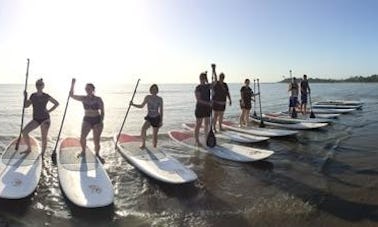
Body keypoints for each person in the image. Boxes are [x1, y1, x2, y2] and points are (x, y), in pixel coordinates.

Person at [69, 79, 105, 163]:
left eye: (89, 89)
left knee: (96, 140)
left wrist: (101, 121)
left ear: (93, 89)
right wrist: (73, 84)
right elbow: (71, 95)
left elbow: (102, 111)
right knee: (82, 137)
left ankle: (97, 154)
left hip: (97, 120)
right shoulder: (83, 98)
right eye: (86, 89)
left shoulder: (98, 99)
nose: (87, 90)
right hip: (87, 119)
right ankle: (83, 151)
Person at [22, 78, 59, 156]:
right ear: (35, 86)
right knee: (24, 132)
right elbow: (26, 106)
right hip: (36, 119)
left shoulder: (46, 96)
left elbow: (56, 103)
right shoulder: (33, 96)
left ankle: (42, 154)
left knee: (43, 137)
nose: (38, 86)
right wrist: (25, 96)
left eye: (40, 84)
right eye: (37, 84)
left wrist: (49, 111)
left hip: (45, 119)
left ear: (43, 86)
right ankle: (29, 149)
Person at [131, 84, 163, 149]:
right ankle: (143, 144)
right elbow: (141, 106)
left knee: (155, 134)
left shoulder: (160, 99)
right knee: (143, 129)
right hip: (149, 117)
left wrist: (161, 121)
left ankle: (155, 146)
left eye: (155, 89)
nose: (154, 90)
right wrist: (132, 104)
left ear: (157, 90)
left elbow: (161, 110)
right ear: (150, 90)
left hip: (157, 118)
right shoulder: (147, 97)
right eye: (152, 89)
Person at [194, 72, 211, 147]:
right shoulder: (198, 88)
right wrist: (208, 103)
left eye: (203, 78)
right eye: (201, 78)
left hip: (207, 108)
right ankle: (197, 140)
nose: (202, 80)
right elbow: (198, 100)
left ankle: (206, 137)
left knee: (206, 124)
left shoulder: (208, 86)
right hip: (200, 108)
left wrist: (213, 71)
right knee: (198, 124)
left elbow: (214, 83)